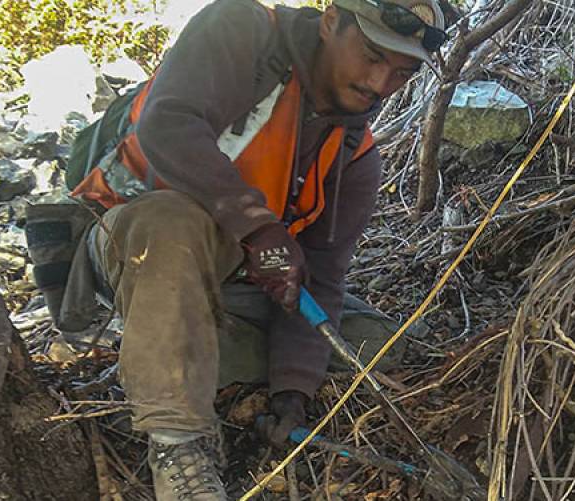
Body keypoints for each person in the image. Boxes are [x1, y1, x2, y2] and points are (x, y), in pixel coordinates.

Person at [67, 0, 446, 499]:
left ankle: (186, 359)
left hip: (232, 279)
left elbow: (322, 279)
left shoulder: (355, 156)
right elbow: (169, 125)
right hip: (135, 245)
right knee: (172, 220)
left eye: (401, 73)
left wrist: (291, 392)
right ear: (331, 22)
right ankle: (178, 441)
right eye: (372, 56)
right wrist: (259, 228)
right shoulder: (241, 30)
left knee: (378, 344)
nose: (379, 84)